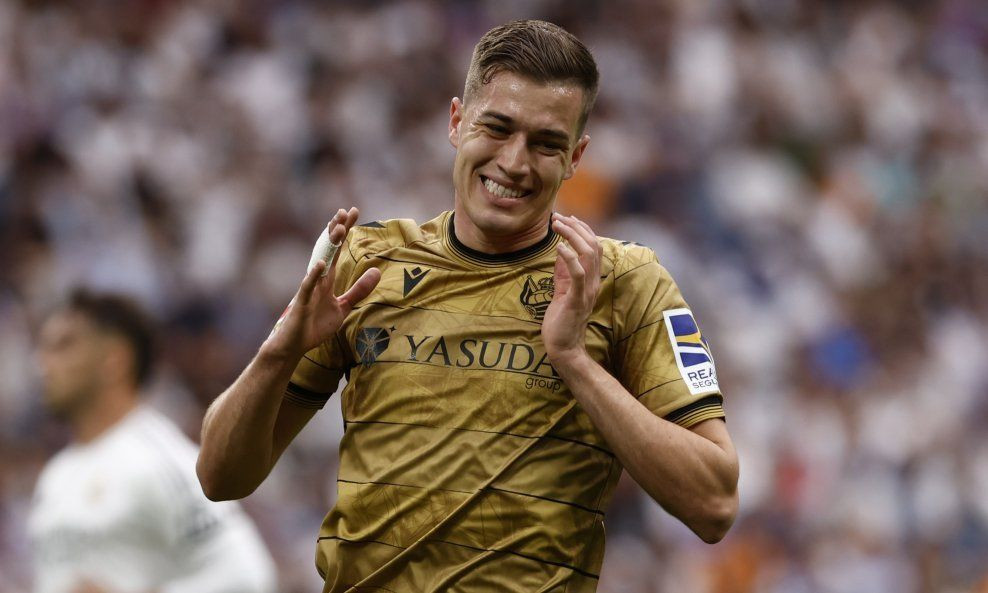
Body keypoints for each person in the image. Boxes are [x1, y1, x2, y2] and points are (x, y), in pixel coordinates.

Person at [197, 19, 739, 592]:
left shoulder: (622, 281)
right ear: (456, 122)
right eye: (497, 128)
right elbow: (218, 477)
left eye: (546, 143)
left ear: (576, 156)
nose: (515, 162)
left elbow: (714, 503)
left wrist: (574, 361)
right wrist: (277, 352)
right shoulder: (368, 263)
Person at [30, 289, 277, 593]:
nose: (42, 363)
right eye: (43, 348)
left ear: (115, 359)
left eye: (64, 345)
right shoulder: (55, 475)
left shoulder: (160, 458)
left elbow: (248, 576)